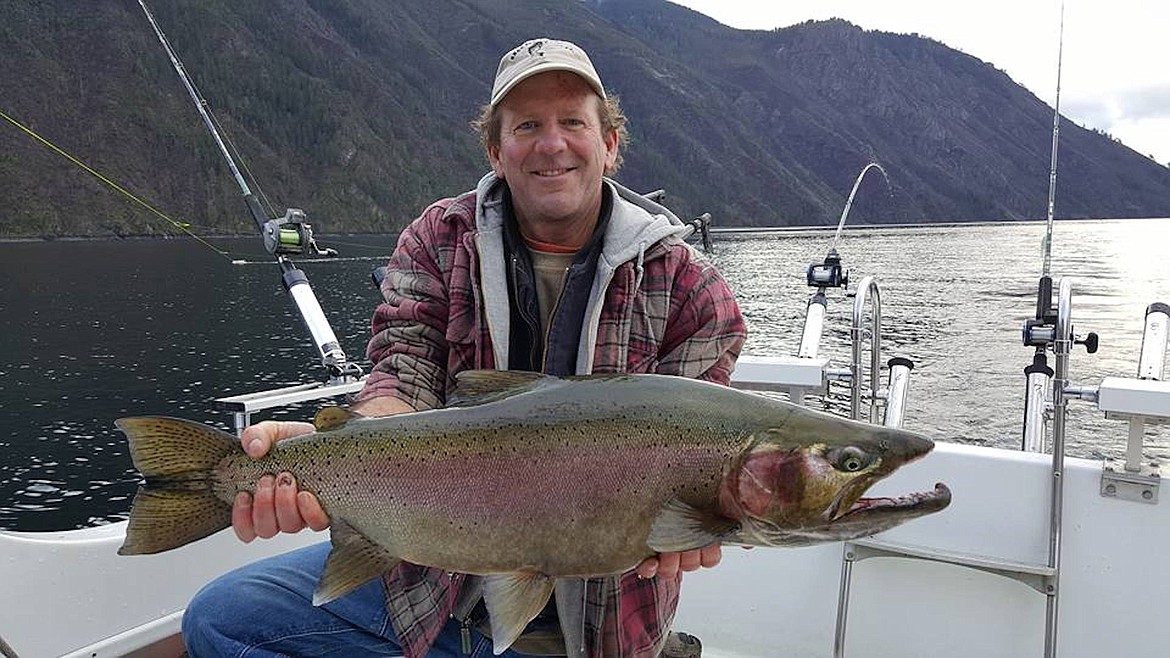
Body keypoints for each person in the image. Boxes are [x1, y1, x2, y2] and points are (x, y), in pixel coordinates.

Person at [181, 37, 746, 658]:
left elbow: (701, 440)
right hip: (428, 584)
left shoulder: (690, 287)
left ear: (610, 145)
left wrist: (702, 520)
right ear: (495, 152)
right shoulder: (438, 239)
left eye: (572, 123)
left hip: (599, 629)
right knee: (221, 620)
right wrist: (332, 449)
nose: (551, 143)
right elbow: (402, 374)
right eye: (527, 125)